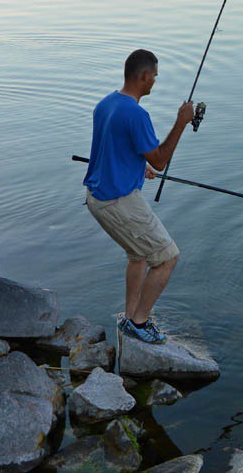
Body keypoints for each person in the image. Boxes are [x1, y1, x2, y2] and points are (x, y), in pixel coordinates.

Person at [83, 48, 195, 345]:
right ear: (145, 76)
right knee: (167, 257)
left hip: (97, 196)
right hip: (117, 202)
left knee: (138, 255)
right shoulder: (137, 114)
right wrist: (181, 122)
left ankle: (130, 316)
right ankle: (140, 323)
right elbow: (160, 160)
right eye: (155, 77)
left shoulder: (107, 103)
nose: (155, 82)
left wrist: (137, 165)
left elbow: (112, 147)